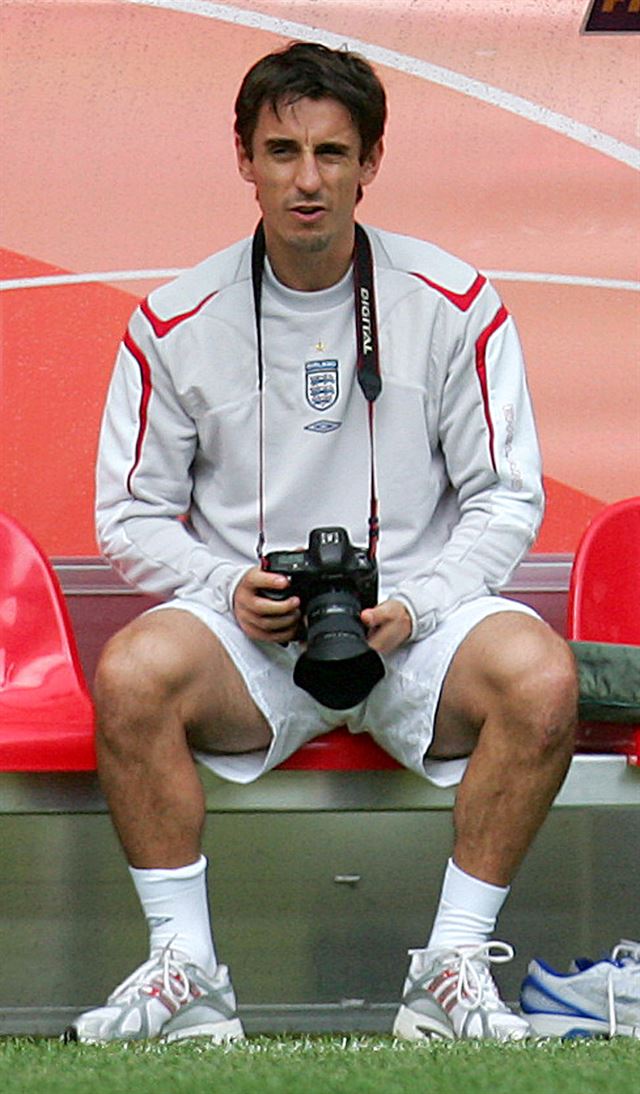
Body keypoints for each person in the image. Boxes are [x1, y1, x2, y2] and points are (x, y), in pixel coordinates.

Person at [66, 41, 578, 1044]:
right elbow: (127, 514)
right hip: (248, 640)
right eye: (282, 149)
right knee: (128, 674)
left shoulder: (453, 303)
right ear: (245, 157)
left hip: (414, 627)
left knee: (543, 677)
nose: (306, 180)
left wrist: (419, 604)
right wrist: (226, 583)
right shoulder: (174, 320)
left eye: (332, 153)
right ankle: (186, 971)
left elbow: (506, 496)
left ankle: (452, 969)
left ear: (370, 162)